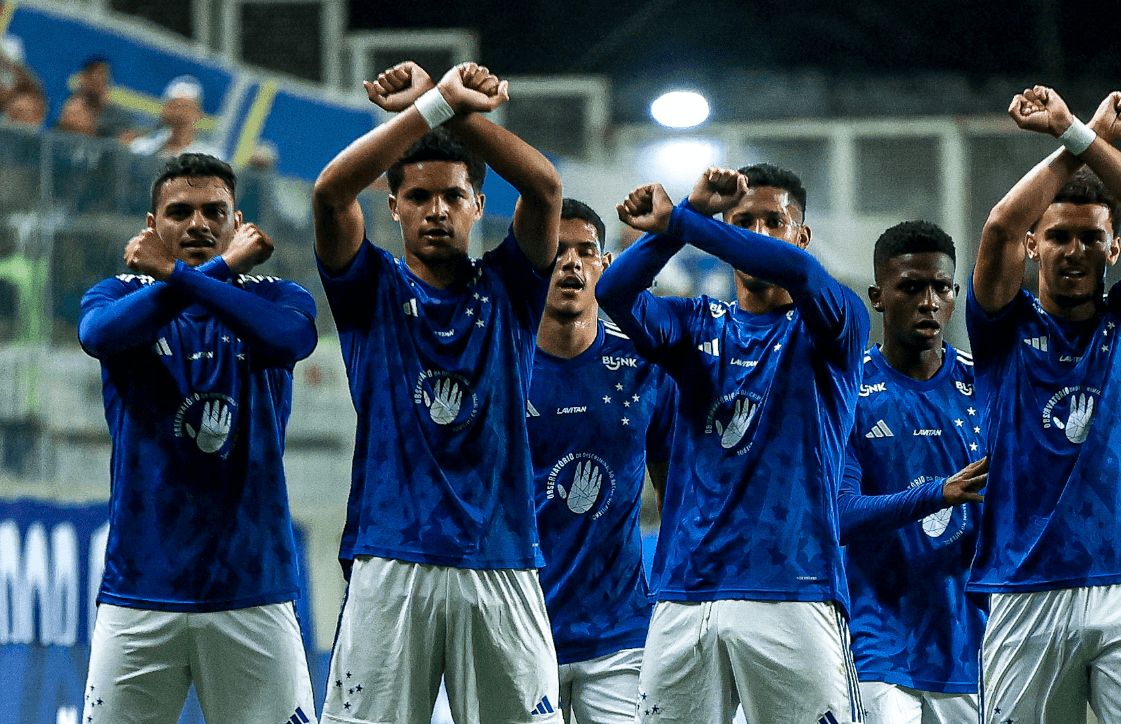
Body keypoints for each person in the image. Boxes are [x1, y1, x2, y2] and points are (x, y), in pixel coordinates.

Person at [312, 60, 562, 724]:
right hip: (391, 555)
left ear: (479, 205)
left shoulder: (511, 287)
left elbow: (544, 188)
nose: (436, 210)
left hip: (501, 556)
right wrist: (428, 110)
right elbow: (330, 194)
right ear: (392, 206)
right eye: (418, 197)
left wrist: (443, 103)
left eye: (454, 196)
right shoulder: (372, 288)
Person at [599, 164, 870, 724]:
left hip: (793, 591)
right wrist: (689, 218)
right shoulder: (697, 324)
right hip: (683, 594)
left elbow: (792, 269)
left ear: (803, 234)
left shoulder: (834, 323)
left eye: (776, 221)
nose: (759, 234)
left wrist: (683, 220)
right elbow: (614, 290)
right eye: (744, 222)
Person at [968, 87, 1121, 723]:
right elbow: (999, 226)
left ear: (1113, 250)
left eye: (1092, 238)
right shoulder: (1003, 330)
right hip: (1024, 583)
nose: (1075, 251)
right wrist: (1079, 136)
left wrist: (1076, 130)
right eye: (1059, 236)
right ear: (1036, 247)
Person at [77, 153, 318, 724]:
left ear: (237, 223)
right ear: (151, 226)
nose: (198, 225)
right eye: (179, 212)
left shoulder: (279, 298)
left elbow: (290, 340)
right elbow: (98, 335)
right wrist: (211, 271)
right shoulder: (114, 295)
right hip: (141, 591)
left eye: (215, 211)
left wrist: (182, 274)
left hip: (253, 590)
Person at [528, 197, 676, 724]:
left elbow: (673, 493)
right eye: (556, 251)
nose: (571, 263)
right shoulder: (500, 367)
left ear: (605, 265)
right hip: (519, 627)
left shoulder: (643, 368)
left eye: (586, 251)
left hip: (620, 634)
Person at [836, 220, 988, 724]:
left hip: (970, 644)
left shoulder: (983, 390)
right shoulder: (850, 394)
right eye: (911, 288)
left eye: (941, 288)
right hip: (878, 644)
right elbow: (840, 515)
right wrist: (936, 493)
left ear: (955, 295)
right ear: (878, 296)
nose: (928, 301)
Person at [130, 75, 222, 158]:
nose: (182, 115)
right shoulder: (142, 147)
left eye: (188, 108)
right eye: (176, 107)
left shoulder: (210, 157)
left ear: (198, 115)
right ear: (165, 112)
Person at [57, 56, 136, 141]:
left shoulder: (111, 112)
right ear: (84, 78)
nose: (100, 85)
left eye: (104, 80)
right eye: (95, 80)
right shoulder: (74, 106)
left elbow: (126, 133)